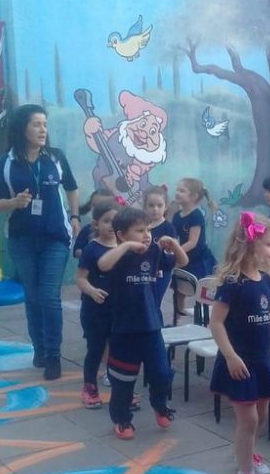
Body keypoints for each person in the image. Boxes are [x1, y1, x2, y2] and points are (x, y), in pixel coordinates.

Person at [0, 104, 80, 380]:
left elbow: (72, 187)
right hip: (21, 240)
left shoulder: (55, 157)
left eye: (45, 125)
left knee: (49, 296)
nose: (43, 130)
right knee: (32, 295)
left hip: (55, 238)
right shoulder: (6, 162)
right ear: (22, 128)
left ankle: (53, 355)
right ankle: (39, 348)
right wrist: (13, 203)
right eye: (36, 124)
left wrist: (75, 216)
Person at [209, 212, 270, 474]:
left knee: (261, 414)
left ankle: (249, 452)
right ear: (249, 244)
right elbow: (216, 323)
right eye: (269, 244)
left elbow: (268, 314)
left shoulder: (264, 279)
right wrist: (230, 356)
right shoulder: (232, 283)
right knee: (249, 419)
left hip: (261, 360)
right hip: (239, 363)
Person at [98, 207, 188, 440]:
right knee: (123, 380)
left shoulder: (154, 252)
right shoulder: (117, 256)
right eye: (140, 231)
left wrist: (174, 244)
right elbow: (103, 265)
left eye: (148, 230)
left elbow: (182, 261)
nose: (147, 235)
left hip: (151, 326)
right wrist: (126, 246)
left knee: (161, 373)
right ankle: (122, 419)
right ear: (121, 234)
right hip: (124, 330)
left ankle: (160, 406)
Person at [75, 200, 121, 408]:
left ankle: (122, 390)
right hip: (95, 311)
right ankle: (90, 388)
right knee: (95, 349)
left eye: (116, 221)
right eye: (106, 221)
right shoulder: (91, 249)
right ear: (96, 224)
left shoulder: (124, 247)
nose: (112, 225)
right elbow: (80, 278)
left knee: (119, 350)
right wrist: (92, 291)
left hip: (119, 311)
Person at [172, 177, 217, 311]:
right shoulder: (177, 216)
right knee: (179, 291)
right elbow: (175, 237)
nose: (177, 193)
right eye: (177, 190)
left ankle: (207, 317)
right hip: (185, 258)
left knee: (204, 293)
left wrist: (176, 251)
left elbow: (192, 242)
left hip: (199, 259)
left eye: (182, 191)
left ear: (194, 196)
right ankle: (178, 317)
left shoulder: (196, 215)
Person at [144, 185, 177, 319]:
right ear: (145, 206)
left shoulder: (168, 228)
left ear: (166, 207)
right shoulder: (142, 225)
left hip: (161, 273)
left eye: (159, 205)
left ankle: (158, 328)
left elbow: (171, 258)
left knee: (154, 303)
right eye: (151, 205)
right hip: (145, 271)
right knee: (145, 303)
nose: (155, 209)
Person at [73, 188, 117, 258]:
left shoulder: (119, 228)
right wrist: (90, 253)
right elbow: (76, 251)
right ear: (90, 206)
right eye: (94, 205)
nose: (97, 208)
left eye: (102, 205)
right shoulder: (87, 229)